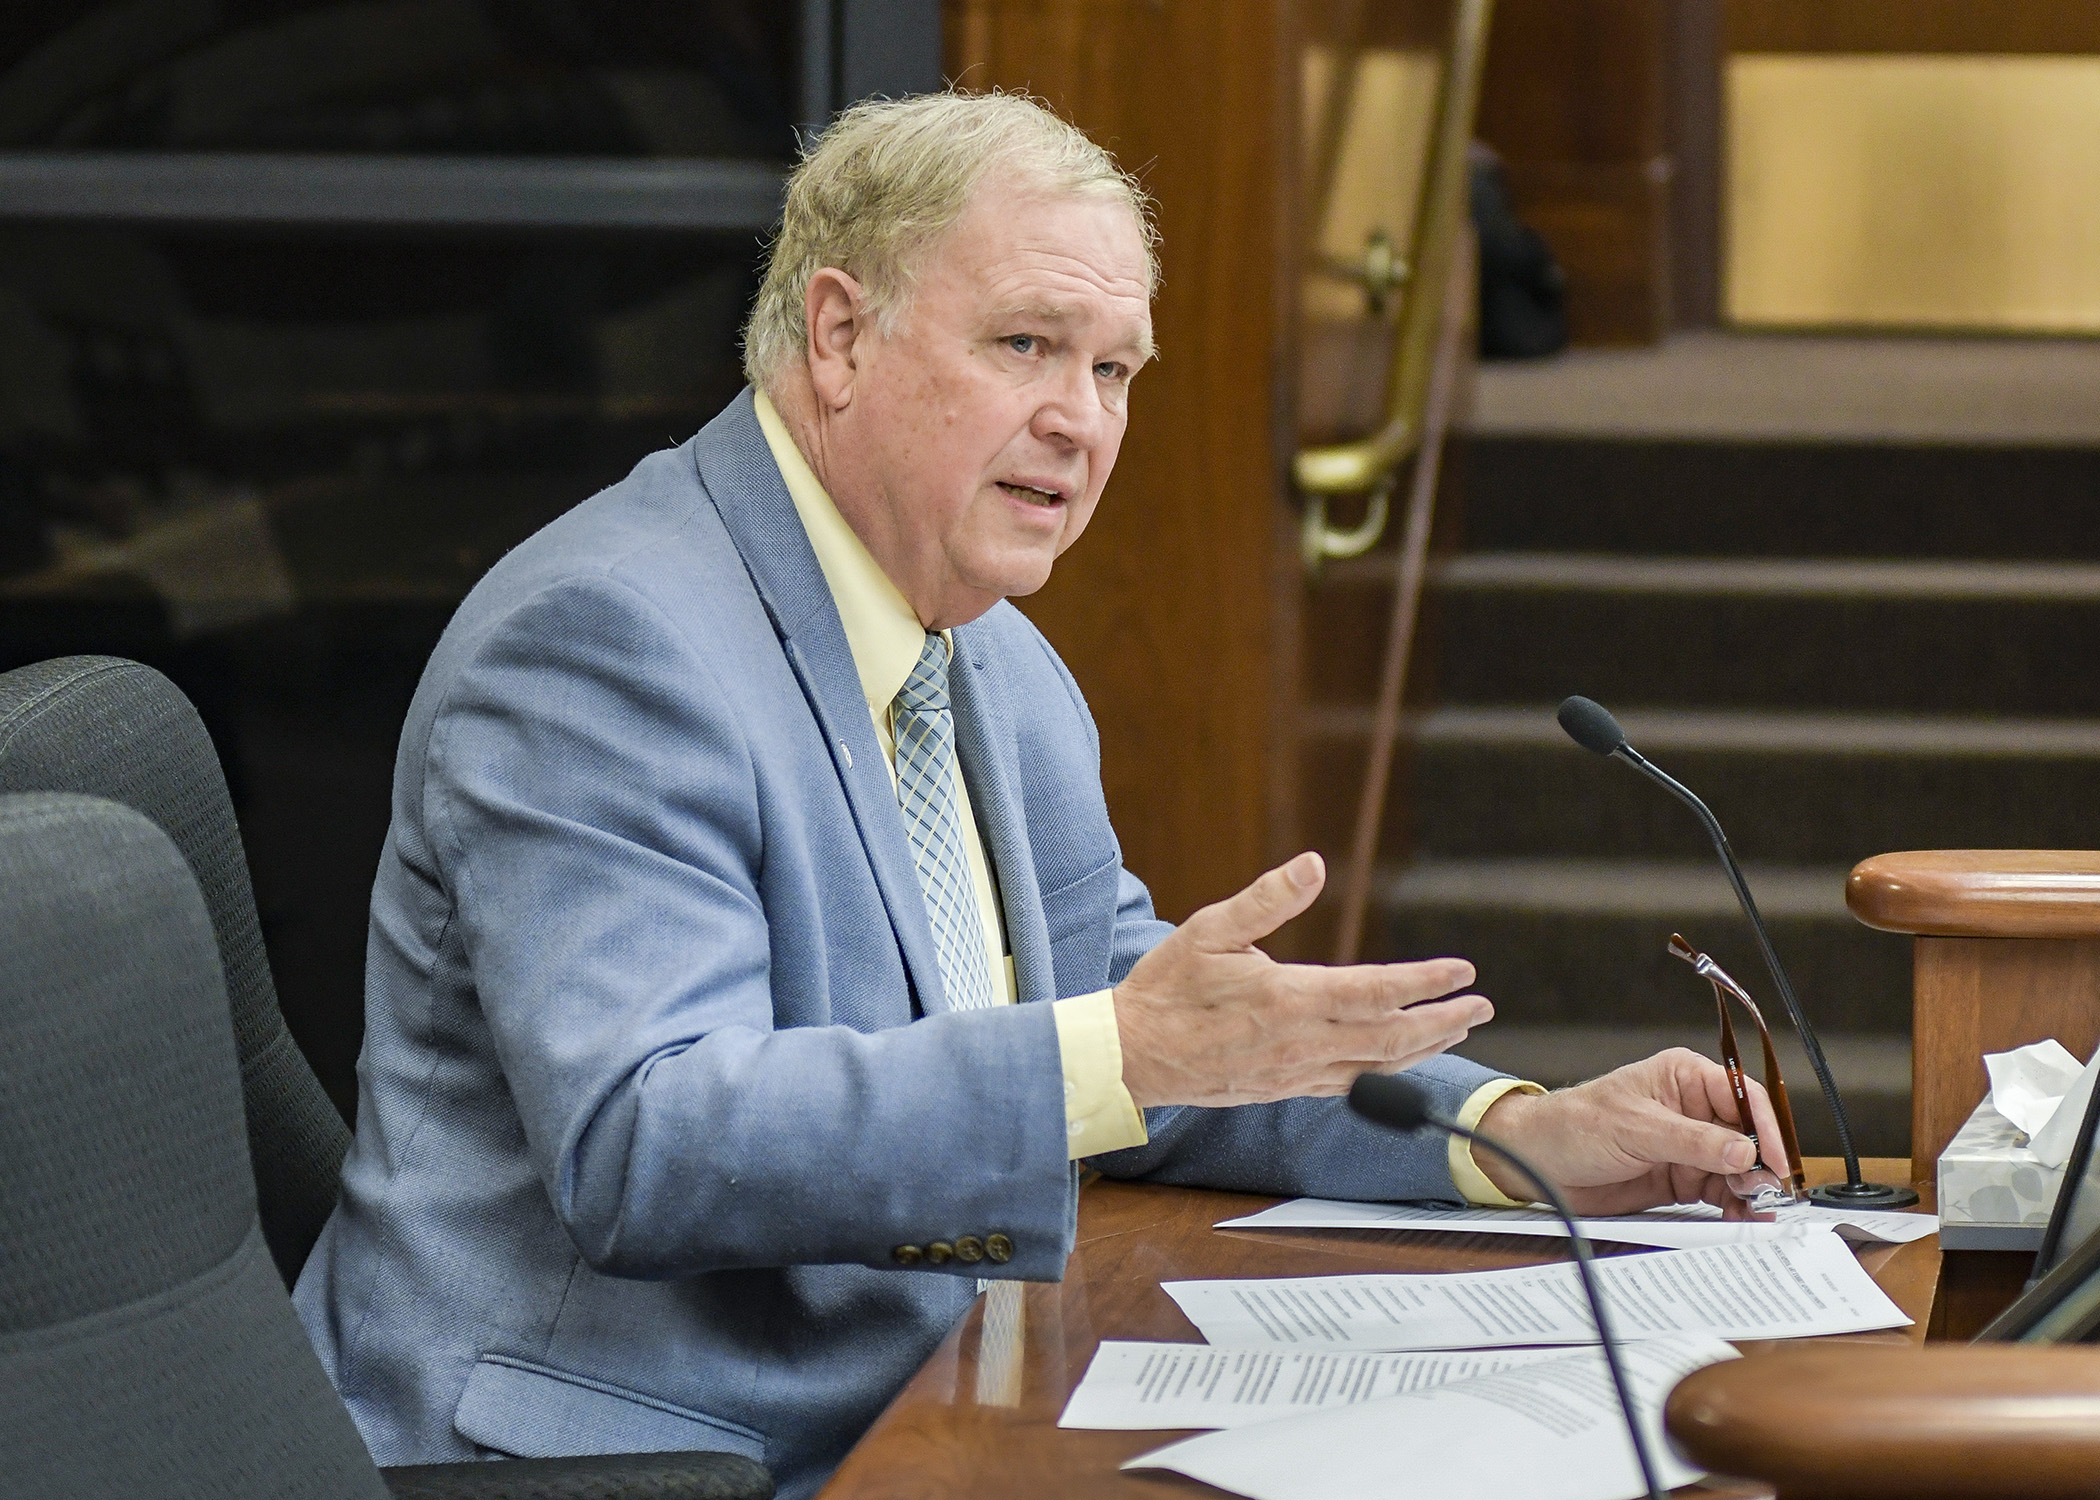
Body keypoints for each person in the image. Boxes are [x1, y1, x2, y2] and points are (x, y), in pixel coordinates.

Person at [294, 91, 1785, 1499]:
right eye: (1025, 345)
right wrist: (1123, 1047)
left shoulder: (991, 656)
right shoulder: (609, 641)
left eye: (1114, 368)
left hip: (925, 1388)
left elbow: (1130, 1035)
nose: (1082, 421)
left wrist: (1517, 1136)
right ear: (838, 335)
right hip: (622, 1449)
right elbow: (648, 1137)